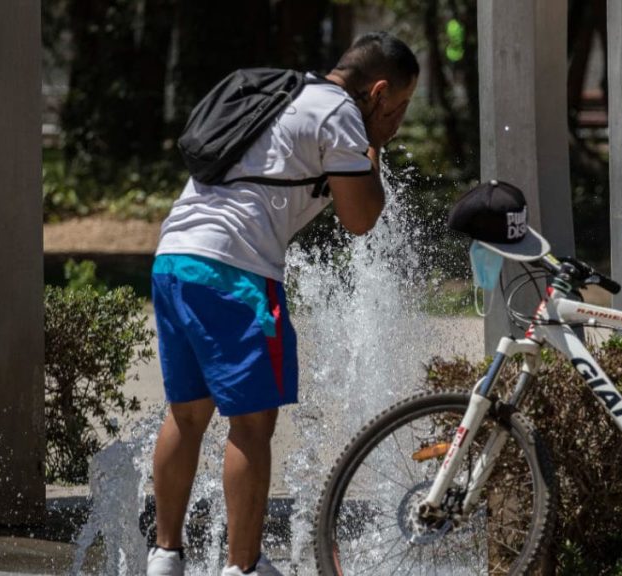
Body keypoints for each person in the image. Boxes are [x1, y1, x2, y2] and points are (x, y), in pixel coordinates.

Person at [145, 32, 418, 576]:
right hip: (235, 272)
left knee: (188, 414)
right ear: (379, 91)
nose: (398, 120)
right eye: (400, 108)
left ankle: (164, 558)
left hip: (174, 259)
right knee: (251, 426)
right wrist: (376, 146)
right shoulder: (339, 113)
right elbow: (360, 218)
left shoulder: (290, 95)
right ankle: (242, 569)